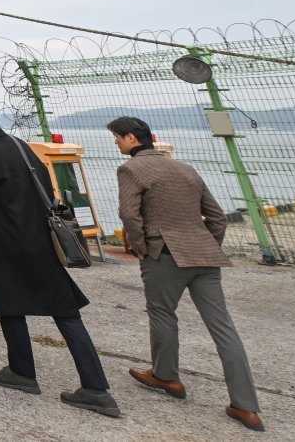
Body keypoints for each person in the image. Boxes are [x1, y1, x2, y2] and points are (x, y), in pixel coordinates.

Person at [0, 97, 120, 417]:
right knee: (65, 312)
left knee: (8, 303)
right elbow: (43, 182)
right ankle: (91, 386)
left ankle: (26, 372)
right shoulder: (19, 145)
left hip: (5, 243)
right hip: (39, 240)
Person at [109, 115, 264, 432]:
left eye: (117, 138)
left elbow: (128, 213)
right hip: (204, 255)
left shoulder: (131, 169)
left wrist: (140, 248)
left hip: (164, 254)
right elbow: (217, 217)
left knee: (163, 314)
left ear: (132, 139)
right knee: (223, 328)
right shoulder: (186, 169)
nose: (116, 143)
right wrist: (205, 245)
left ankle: (167, 377)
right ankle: (246, 407)